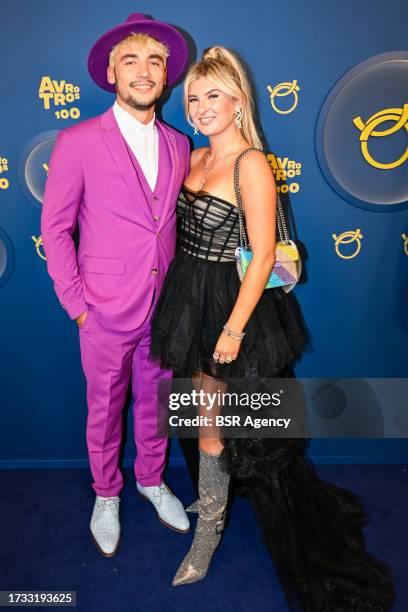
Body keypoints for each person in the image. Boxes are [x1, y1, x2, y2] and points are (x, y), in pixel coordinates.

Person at [149, 46, 395, 610]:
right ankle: (212, 498)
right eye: (193, 97)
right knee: (194, 414)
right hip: (188, 295)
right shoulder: (191, 156)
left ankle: (207, 535)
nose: (202, 106)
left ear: (239, 101)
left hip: (234, 308)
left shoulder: (251, 164)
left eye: (214, 94)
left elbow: (263, 256)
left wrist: (233, 331)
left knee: (220, 428)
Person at [41, 13, 191, 558]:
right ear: (112, 71)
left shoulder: (178, 144)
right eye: (131, 60)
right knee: (104, 408)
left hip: (165, 308)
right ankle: (107, 493)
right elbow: (55, 228)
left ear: (167, 75)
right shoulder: (78, 140)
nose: (144, 71)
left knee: (155, 402)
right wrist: (78, 306)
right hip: (102, 310)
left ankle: (151, 480)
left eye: (154, 61)